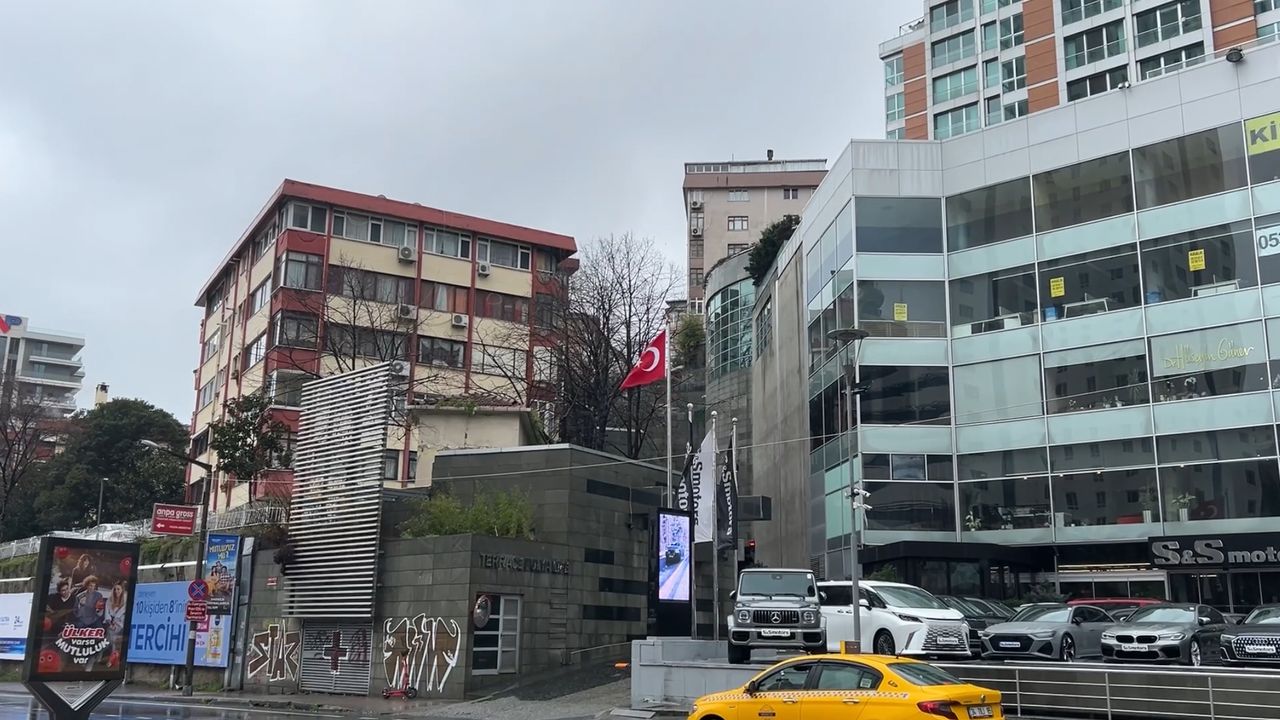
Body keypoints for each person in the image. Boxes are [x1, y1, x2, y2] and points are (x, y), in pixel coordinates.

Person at [104, 581, 129, 651]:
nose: (116, 591)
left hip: (121, 625)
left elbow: (124, 616)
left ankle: (114, 651)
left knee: (115, 636)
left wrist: (117, 624)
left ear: (122, 590)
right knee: (110, 631)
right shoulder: (109, 600)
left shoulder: (126, 600)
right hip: (111, 624)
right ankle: (108, 649)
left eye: (118, 589)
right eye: (115, 589)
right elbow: (107, 614)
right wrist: (110, 623)